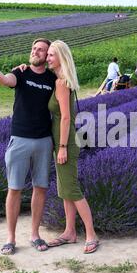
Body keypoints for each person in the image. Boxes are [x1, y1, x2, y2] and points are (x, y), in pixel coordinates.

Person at [0, 38, 55, 255]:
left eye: (41, 50)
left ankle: (34, 234)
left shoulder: (52, 77)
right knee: (15, 189)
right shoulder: (20, 73)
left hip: (43, 140)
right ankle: (10, 238)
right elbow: (5, 80)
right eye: (34, 48)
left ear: (47, 56)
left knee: (40, 187)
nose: (36, 52)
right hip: (20, 139)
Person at [46, 40, 99, 254]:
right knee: (65, 190)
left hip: (64, 142)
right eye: (47, 54)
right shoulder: (60, 79)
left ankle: (91, 234)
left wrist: (62, 147)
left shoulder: (61, 83)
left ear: (61, 58)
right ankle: (69, 232)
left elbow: (66, 117)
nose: (47, 58)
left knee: (73, 190)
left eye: (51, 55)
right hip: (62, 141)